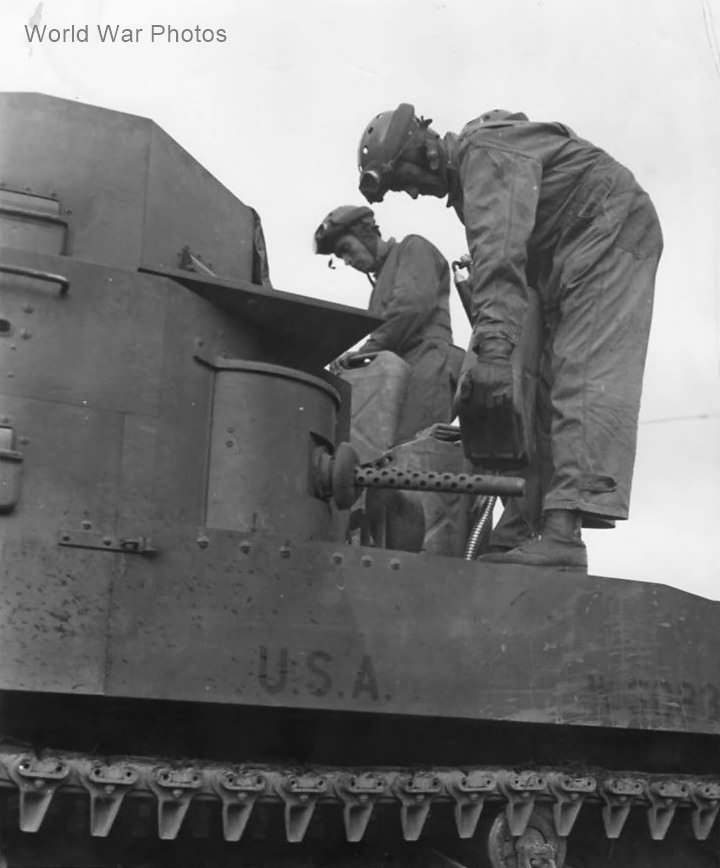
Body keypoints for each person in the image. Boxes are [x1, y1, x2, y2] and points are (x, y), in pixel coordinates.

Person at [355, 104, 663, 571]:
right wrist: (496, 357)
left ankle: (562, 534)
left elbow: (499, 259)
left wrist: (495, 350)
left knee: (577, 372)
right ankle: (521, 526)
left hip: (607, 226)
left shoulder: (484, 156)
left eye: (406, 178)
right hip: (560, 254)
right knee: (525, 383)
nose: (414, 192)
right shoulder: (471, 177)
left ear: (426, 150)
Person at [313, 205, 463, 444]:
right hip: (398, 373)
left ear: (366, 233)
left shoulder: (413, 247)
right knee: (383, 454)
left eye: (346, 249)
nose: (349, 261)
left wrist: (365, 352)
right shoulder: (379, 285)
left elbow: (411, 307)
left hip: (429, 364)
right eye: (342, 258)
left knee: (413, 453)